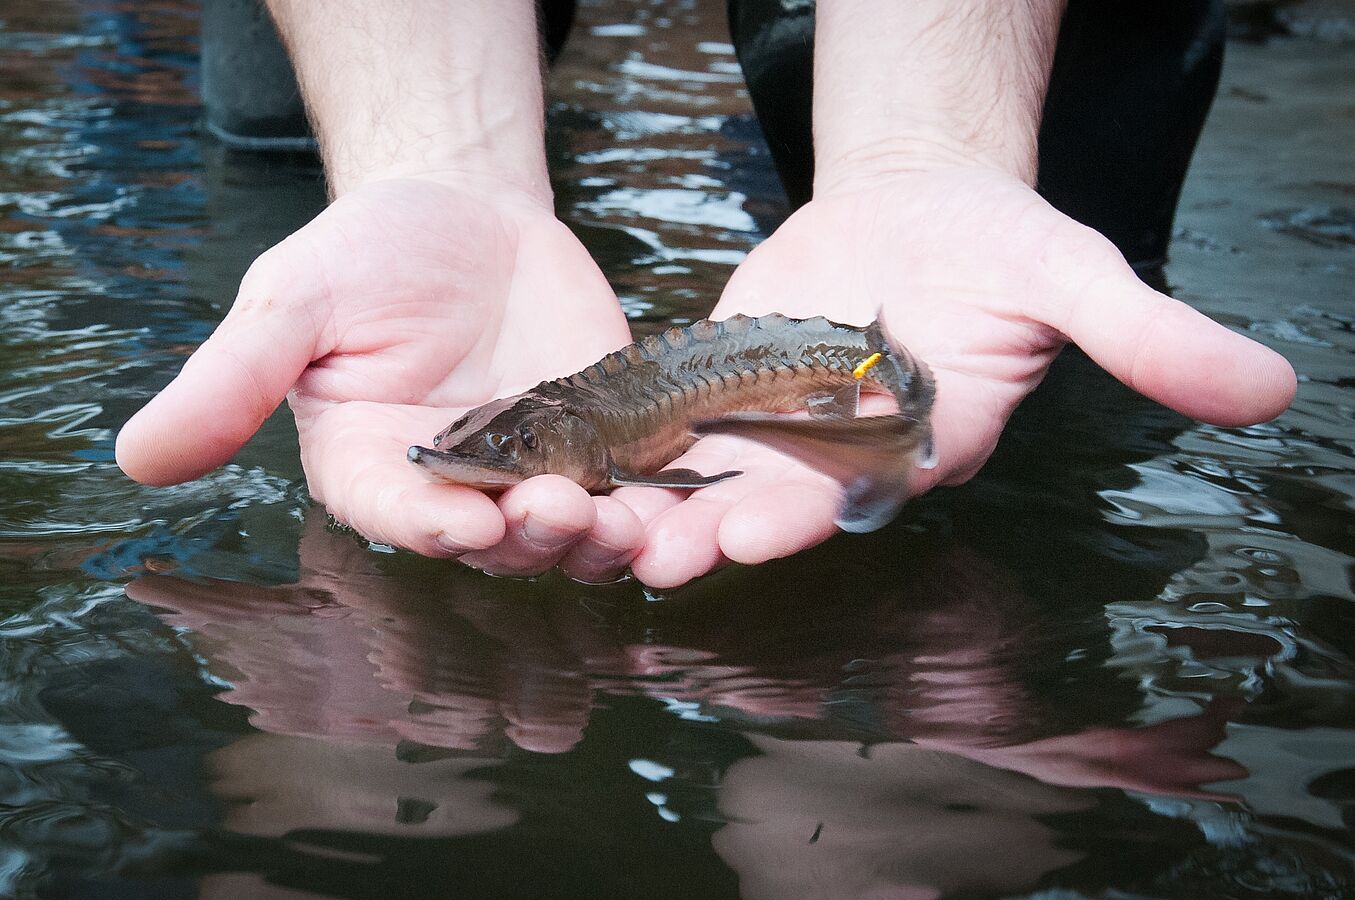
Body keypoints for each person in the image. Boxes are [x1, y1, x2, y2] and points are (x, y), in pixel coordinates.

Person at [115, 0, 1296, 588]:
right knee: (279, 126)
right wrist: (429, 161)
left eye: (519, 439)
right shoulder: (575, 441)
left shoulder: (605, 438)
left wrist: (929, 150)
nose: (488, 451)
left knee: (1059, 225)